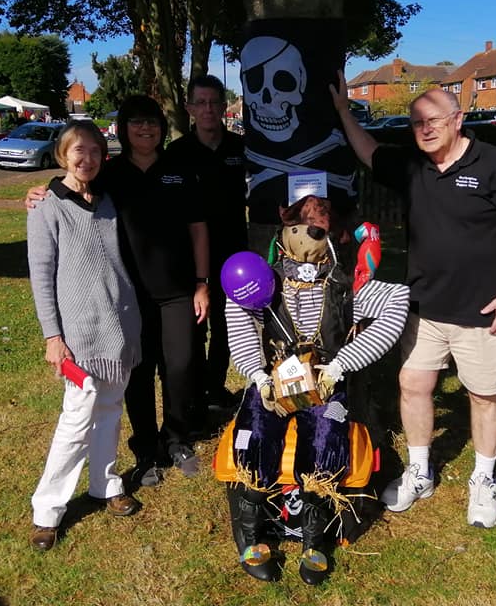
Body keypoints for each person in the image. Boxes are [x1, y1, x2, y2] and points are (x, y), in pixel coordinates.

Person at [329, 72, 496, 529]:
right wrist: (344, 110)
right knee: (413, 386)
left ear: (458, 120)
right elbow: (369, 152)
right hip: (424, 307)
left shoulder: (493, 164)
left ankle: (484, 479)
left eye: (434, 121)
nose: (424, 129)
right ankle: (420, 471)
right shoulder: (413, 165)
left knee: (484, 395)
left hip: (485, 312)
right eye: (417, 122)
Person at [221, 194, 409, 584]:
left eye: (316, 230)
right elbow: (236, 309)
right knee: (253, 431)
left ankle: (314, 536)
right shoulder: (267, 281)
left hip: (325, 381)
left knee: (327, 436)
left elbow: (399, 299)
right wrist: (256, 374)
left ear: (332, 236)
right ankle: (251, 531)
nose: (305, 237)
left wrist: (343, 363)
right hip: (274, 379)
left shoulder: (343, 286)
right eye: (296, 228)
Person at [27, 95, 210, 486]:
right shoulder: (109, 174)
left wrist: (201, 282)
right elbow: (71, 187)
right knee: (138, 373)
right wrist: (38, 192)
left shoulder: (179, 169)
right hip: (128, 297)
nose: (146, 129)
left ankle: (176, 438)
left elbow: (198, 228)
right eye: (136, 122)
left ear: (162, 127)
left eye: (153, 122)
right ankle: (146, 447)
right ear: (124, 129)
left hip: (177, 290)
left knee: (180, 367)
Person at [26, 123, 143, 552]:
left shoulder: (107, 200)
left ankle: (105, 484)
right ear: (62, 154)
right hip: (78, 335)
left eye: (95, 151)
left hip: (119, 324)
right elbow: (41, 276)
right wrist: (52, 336)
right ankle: (47, 510)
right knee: (76, 419)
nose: (87, 159)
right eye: (79, 150)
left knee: (110, 409)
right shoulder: (46, 206)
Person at [166, 74, 248, 423]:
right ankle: (195, 392)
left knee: (228, 325)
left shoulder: (240, 148)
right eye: (201, 103)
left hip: (234, 253)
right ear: (189, 108)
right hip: (191, 256)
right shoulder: (177, 153)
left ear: (223, 106)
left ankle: (215, 388)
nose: (208, 109)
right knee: (195, 327)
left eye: (214, 102)